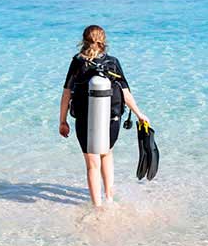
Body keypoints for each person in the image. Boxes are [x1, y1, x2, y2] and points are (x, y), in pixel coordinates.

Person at [59, 25, 149, 207]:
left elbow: (67, 93)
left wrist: (62, 121)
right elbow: (125, 93)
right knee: (106, 154)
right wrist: (140, 114)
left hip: (85, 120)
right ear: (104, 41)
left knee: (92, 164)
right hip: (111, 119)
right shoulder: (112, 62)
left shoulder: (77, 62)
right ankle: (109, 198)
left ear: (83, 41)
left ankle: (97, 207)